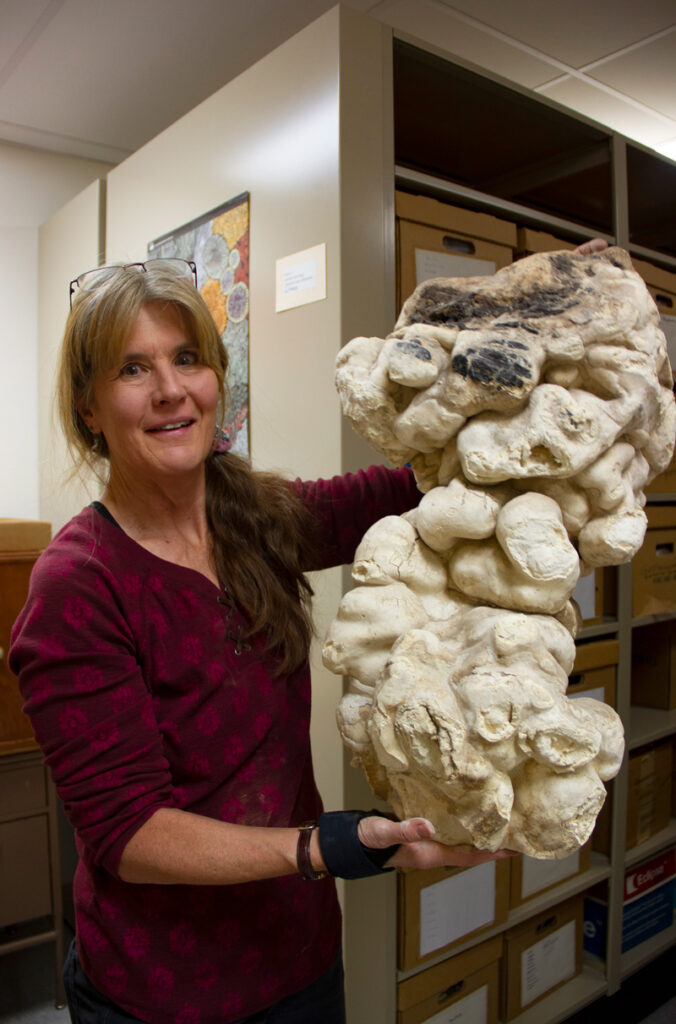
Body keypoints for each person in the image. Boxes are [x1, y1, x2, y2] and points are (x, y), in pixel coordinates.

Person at [9, 258, 511, 1024]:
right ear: (88, 406)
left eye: (187, 359)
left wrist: (534, 324)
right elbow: (129, 832)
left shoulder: (254, 517)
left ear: (217, 377)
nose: (171, 389)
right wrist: (327, 847)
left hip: (300, 960)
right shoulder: (77, 584)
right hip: (164, 992)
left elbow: (401, 490)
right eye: (133, 369)